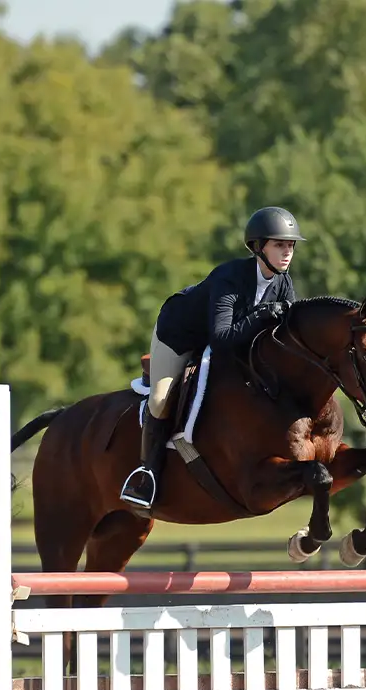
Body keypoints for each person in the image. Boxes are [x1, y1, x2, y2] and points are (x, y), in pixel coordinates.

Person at [119, 206, 305, 511]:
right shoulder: (229, 277)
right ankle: (146, 473)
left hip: (224, 341)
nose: (287, 253)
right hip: (179, 336)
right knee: (161, 399)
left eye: (290, 246)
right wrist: (262, 315)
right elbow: (221, 339)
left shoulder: (283, 283)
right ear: (258, 247)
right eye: (279, 245)